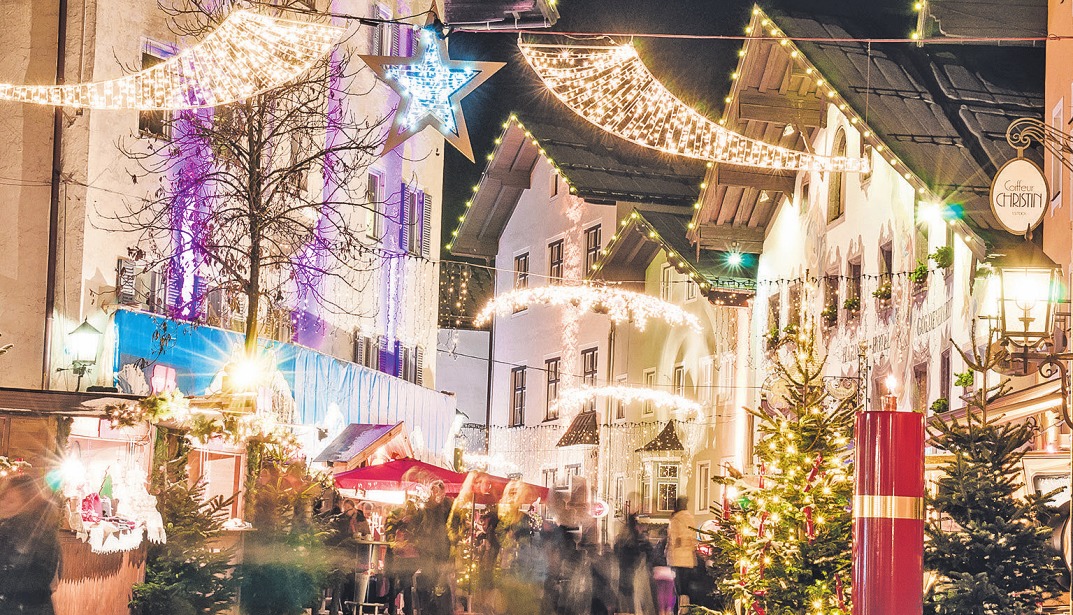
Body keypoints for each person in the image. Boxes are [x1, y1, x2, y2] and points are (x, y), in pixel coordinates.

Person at [0, 473, 60, 615]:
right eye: (3, 498)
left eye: (11, 501)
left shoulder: (41, 534)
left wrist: (3, 580)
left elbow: (42, 577)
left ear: (28, 504)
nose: (3, 504)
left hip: (29, 609)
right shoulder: (5, 528)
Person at [666, 496, 697, 611]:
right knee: (686, 585)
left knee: (679, 586)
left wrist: (668, 552)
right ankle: (685, 608)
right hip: (688, 558)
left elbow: (673, 539)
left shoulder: (676, 519)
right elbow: (693, 537)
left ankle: (680, 609)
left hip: (677, 558)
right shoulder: (690, 518)